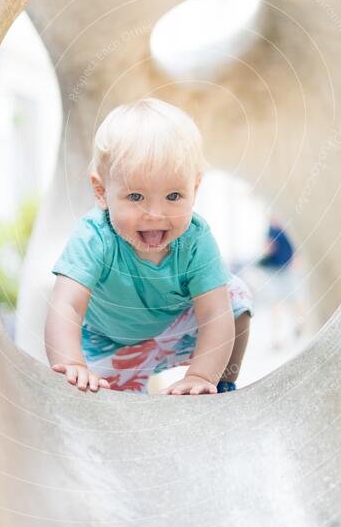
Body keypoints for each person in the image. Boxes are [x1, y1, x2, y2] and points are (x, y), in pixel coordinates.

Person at [45, 97, 253, 395]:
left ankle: (221, 383)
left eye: (173, 197)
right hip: (108, 343)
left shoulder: (195, 238)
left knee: (234, 298)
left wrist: (201, 375)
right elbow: (66, 304)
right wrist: (72, 364)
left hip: (175, 332)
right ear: (101, 192)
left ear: (194, 189)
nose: (155, 215)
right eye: (136, 197)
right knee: (105, 407)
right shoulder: (95, 237)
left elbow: (213, 314)